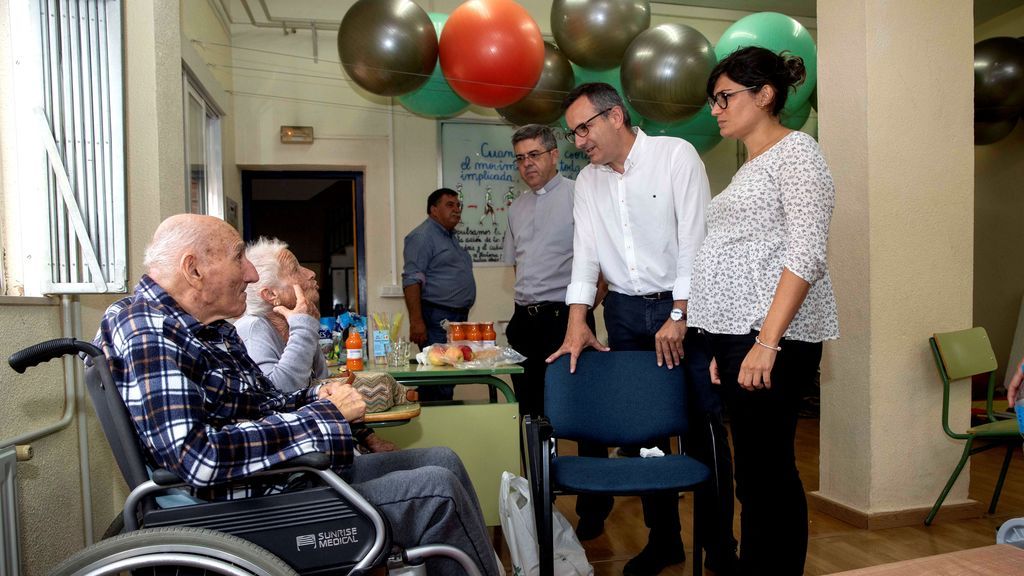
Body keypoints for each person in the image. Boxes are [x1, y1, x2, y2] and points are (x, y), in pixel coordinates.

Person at [95, 214, 499, 576]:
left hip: (272, 483)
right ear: (193, 269)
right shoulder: (147, 328)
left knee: (442, 459)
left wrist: (319, 395)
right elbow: (198, 457)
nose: (251, 274)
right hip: (238, 512)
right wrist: (326, 415)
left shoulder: (205, 329)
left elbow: (265, 400)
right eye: (239, 257)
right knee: (437, 491)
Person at [548, 82, 737, 576]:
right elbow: (586, 258)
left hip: (688, 310)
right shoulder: (587, 182)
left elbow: (697, 241)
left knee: (702, 431)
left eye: (584, 128)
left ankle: (719, 546)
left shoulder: (676, 156)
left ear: (616, 117)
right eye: (573, 134)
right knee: (645, 431)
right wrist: (576, 323)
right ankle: (665, 541)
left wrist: (680, 313)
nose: (579, 141)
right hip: (628, 314)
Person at [688, 47, 840, 576]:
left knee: (769, 471)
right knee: (754, 472)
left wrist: (765, 342)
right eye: (714, 100)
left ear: (765, 95)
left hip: (773, 339)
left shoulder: (797, 152)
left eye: (725, 96)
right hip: (739, 338)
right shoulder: (753, 163)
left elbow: (806, 254)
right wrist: (720, 342)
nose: (716, 109)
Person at [234, 236, 395, 453]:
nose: (310, 273)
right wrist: (304, 327)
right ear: (271, 294)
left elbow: (324, 388)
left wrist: (368, 437)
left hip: (325, 447)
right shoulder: (253, 327)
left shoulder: (297, 325)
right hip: (297, 460)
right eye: (295, 269)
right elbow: (277, 394)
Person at [502, 123, 594, 418]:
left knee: (578, 406)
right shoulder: (516, 208)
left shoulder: (579, 195)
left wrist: (582, 309)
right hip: (524, 323)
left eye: (534, 154)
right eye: (519, 158)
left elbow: (600, 262)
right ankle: (539, 466)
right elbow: (519, 264)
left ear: (554, 155)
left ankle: (589, 465)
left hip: (565, 319)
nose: (526, 163)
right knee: (530, 410)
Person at [402, 188, 476, 401]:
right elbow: (411, 279)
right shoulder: (423, 236)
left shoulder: (450, 236)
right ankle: (434, 425)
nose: (456, 210)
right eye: (449, 205)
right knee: (440, 376)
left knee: (448, 375)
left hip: (456, 318)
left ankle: (437, 419)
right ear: (433, 210)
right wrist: (416, 321)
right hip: (436, 317)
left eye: (458, 205)